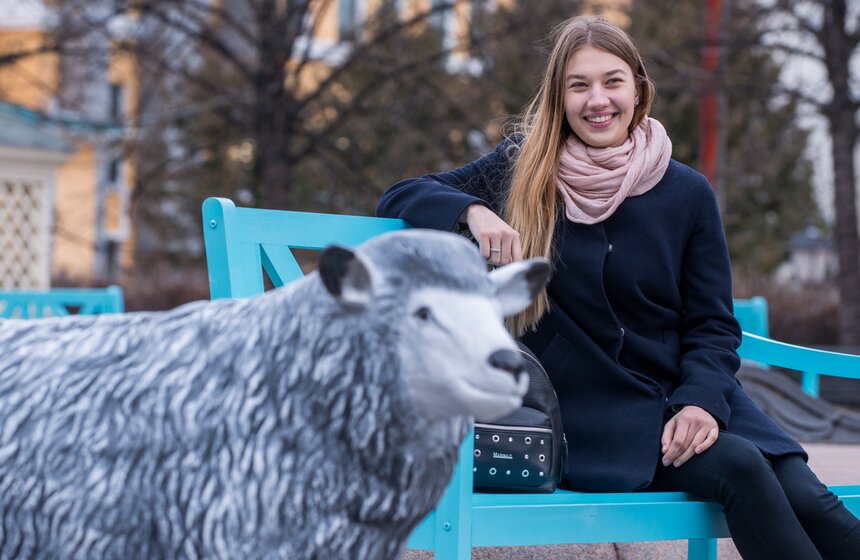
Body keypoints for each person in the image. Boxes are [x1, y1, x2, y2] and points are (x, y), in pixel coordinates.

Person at [376, 14, 860, 560]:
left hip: (689, 398)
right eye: (578, 86)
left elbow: (713, 325)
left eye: (612, 81)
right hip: (592, 414)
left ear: (638, 88)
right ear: (559, 98)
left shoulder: (686, 192)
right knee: (741, 467)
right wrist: (471, 211)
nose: (597, 100)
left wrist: (700, 401)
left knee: (810, 497)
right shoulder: (521, 170)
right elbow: (400, 195)